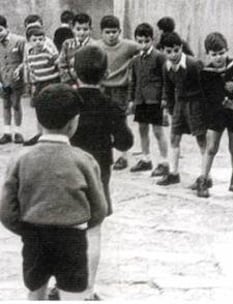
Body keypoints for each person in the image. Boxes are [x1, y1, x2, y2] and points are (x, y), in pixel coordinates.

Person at [0, 83, 108, 300]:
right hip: (72, 238)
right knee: (71, 295)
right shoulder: (84, 160)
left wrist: (25, 229)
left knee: (35, 291)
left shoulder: (21, 158)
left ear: (38, 122)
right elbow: (99, 209)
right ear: (73, 123)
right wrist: (81, 223)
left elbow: (5, 208)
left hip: (34, 236)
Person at [71, 45, 133, 300]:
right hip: (98, 175)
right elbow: (125, 143)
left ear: (74, 72)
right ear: (106, 73)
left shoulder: (67, 101)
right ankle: (88, 291)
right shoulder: (110, 106)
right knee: (93, 230)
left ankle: (60, 285)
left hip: (68, 172)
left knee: (65, 231)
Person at [196, 32, 233, 198]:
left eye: (222, 53)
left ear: (227, 50)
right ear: (208, 54)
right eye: (214, 54)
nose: (218, 57)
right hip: (216, 115)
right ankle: (203, 179)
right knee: (211, 148)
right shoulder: (205, 73)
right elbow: (205, 98)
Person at [157, 32, 206, 186]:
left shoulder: (193, 64)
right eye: (168, 51)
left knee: (201, 139)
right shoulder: (166, 67)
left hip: (196, 104)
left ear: (181, 48)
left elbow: (205, 87)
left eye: (176, 50)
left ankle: (205, 176)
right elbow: (168, 89)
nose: (173, 55)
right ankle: (173, 173)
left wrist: (205, 110)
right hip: (179, 104)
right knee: (174, 137)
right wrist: (171, 110)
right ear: (163, 51)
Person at [95, 15, 140, 170]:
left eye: (114, 32)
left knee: (120, 121)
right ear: (101, 33)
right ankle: (106, 152)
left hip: (120, 89)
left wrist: (133, 67)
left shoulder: (128, 46)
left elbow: (144, 48)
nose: (111, 35)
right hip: (102, 89)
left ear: (120, 31)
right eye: (107, 32)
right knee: (101, 121)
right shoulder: (96, 46)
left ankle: (123, 156)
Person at [128, 23, 169, 176]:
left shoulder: (159, 57)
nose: (143, 45)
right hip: (141, 100)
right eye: (140, 41)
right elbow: (133, 81)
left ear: (152, 40)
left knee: (158, 131)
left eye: (146, 41)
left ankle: (164, 161)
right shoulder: (136, 60)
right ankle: (146, 159)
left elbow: (165, 79)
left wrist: (164, 98)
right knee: (142, 129)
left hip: (155, 100)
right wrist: (131, 99)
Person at [23, 26, 60, 146]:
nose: (38, 42)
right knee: (39, 108)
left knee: (53, 108)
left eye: (41, 39)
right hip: (39, 84)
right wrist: (32, 84)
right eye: (35, 40)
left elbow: (59, 64)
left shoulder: (49, 52)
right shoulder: (29, 54)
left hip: (51, 82)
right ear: (29, 42)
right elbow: (31, 70)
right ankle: (40, 134)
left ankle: (55, 135)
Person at [0, 15, 25, 144]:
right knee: (5, 105)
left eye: (0, 30)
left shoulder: (19, 41)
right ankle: (7, 132)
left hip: (16, 79)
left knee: (16, 104)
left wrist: (19, 69)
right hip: (2, 79)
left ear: (6, 28)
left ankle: (18, 132)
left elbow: (25, 60)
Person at [58, 13, 95, 87]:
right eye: (78, 29)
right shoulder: (67, 44)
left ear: (91, 29)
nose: (81, 33)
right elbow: (62, 65)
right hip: (71, 85)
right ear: (72, 29)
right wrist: (70, 83)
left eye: (85, 29)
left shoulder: (94, 46)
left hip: (89, 84)